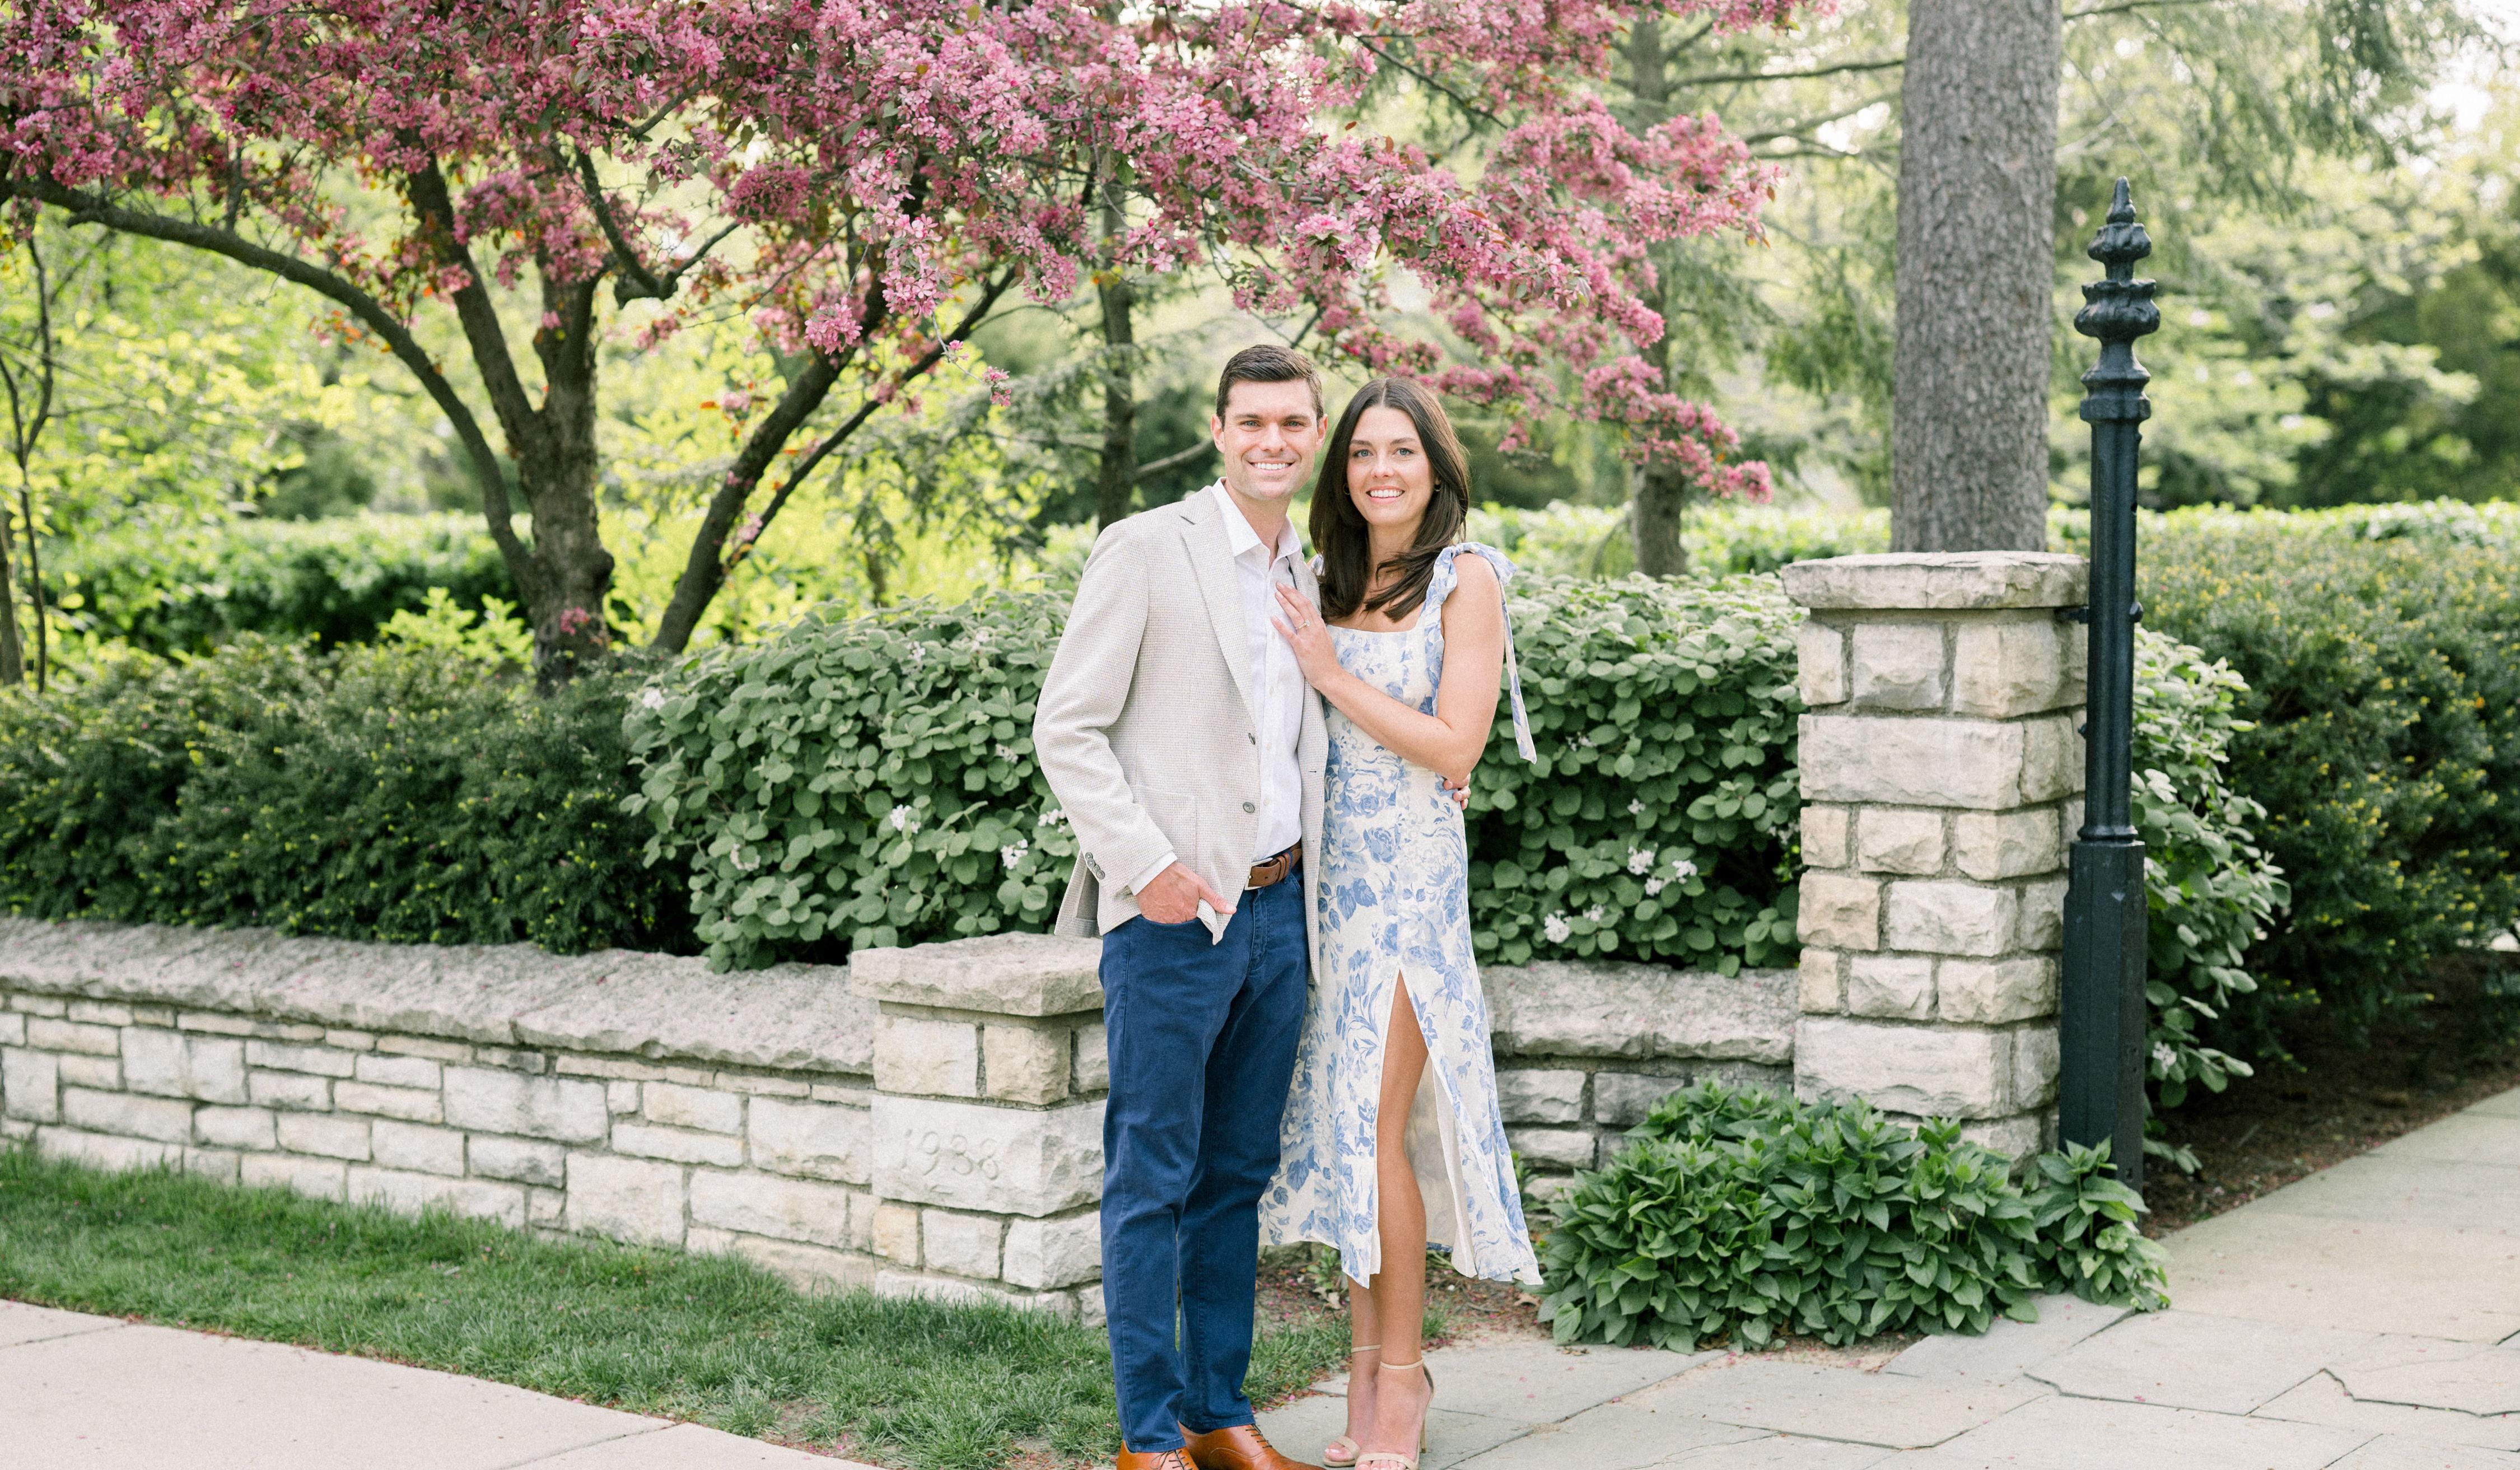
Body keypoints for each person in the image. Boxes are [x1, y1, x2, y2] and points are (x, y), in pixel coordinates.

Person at [1033, 343, 1332, 1470]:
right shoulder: (1148, 548)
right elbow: (1067, 725)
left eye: (1292, 423)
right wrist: (1144, 863)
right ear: (1219, 430)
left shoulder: (1310, 571)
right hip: (1173, 917)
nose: (1272, 441)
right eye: (1252, 421)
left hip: (1279, 914)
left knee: (1234, 1179)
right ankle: (1148, 1438)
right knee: (1152, 1178)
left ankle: (1217, 1414)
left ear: (1314, 435)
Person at [1257, 377, 1542, 1470]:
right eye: (1364, 452)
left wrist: (1330, 673)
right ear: (1345, 472)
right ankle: (1365, 1370)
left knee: (1377, 1133)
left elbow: (1456, 744)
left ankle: (1406, 1379)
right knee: (1348, 1134)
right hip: (1323, 890)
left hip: (1409, 893)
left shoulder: (1465, 580)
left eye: (1402, 451)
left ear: (1436, 466)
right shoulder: (1321, 579)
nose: (1382, 469)